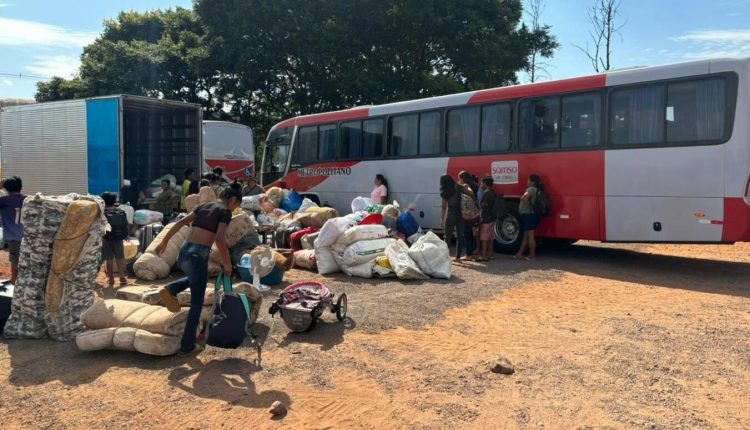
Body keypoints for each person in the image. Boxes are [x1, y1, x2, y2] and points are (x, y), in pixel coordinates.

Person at [157, 182, 242, 355]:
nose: (234, 210)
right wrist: (227, 264)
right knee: (197, 303)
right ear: (233, 199)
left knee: (197, 280)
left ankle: (171, 288)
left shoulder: (204, 206)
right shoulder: (224, 211)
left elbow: (179, 222)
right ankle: (187, 345)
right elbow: (219, 239)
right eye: (236, 206)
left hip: (184, 253)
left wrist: (164, 241)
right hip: (198, 255)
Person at [440, 175, 473, 262]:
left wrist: (442, 218)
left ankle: (445, 258)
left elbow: (443, 207)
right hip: (460, 215)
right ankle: (457, 257)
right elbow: (470, 193)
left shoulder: (444, 191)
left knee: (447, 237)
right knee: (459, 236)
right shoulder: (458, 187)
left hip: (450, 215)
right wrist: (468, 187)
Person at [0, 177, 26, 284]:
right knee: (21, 259)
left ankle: (15, 282)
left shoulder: (4, 201)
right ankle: (15, 279)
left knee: (15, 259)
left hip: (13, 237)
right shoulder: (27, 199)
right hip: (27, 235)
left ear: (6, 188)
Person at [101, 192, 129, 288]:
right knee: (119, 257)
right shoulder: (120, 212)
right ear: (114, 201)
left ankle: (111, 278)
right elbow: (126, 225)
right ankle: (122, 276)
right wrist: (126, 236)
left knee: (108, 259)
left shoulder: (102, 213)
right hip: (118, 238)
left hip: (106, 238)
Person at [516, 174, 542, 261]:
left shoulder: (530, 189)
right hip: (532, 215)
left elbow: (524, 197)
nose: (527, 182)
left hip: (528, 215)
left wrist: (526, 205)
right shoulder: (537, 189)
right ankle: (519, 254)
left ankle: (532, 256)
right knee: (526, 236)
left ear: (532, 182)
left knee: (530, 236)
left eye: (528, 180)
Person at [458, 171, 480, 260]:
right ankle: (471, 252)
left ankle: (469, 255)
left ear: (462, 179)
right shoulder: (475, 185)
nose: (459, 180)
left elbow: (469, 194)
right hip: (475, 213)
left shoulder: (466, 186)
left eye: (459, 178)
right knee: (471, 233)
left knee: (467, 233)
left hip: (467, 214)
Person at [478, 176, 496, 262]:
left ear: (485, 183)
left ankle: (484, 256)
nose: (481, 184)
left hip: (486, 218)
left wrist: (480, 206)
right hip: (492, 217)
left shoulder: (486, 193)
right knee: (491, 237)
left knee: (484, 237)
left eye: (482, 183)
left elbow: (483, 205)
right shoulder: (493, 192)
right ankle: (491, 254)